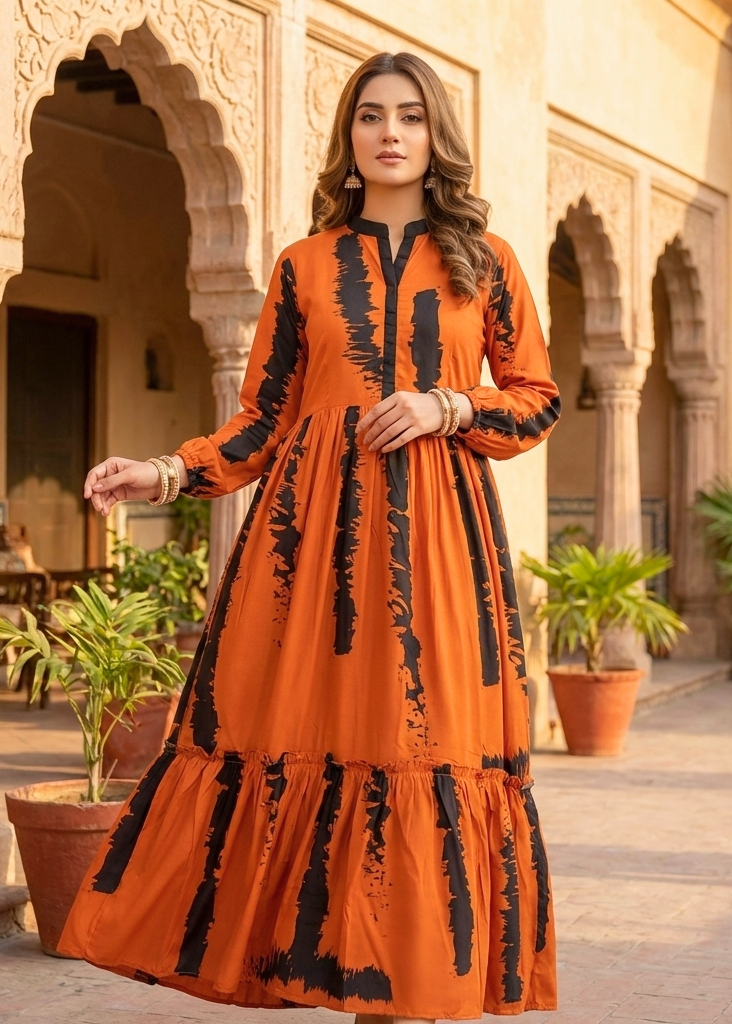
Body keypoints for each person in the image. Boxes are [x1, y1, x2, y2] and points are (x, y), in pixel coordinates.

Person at [59, 51, 561, 1022]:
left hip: (440, 565)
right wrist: (166, 470)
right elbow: (264, 420)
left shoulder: (484, 261)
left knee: (425, 748)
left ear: (434, 135)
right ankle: (326, 968)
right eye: (371, 115)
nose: (389, 133)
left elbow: (535, 402)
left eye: (409, 117)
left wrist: (449, 404)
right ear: (350, 136)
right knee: (303, 749)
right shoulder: (303, 266)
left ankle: (415, 983)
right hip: (310, 566)